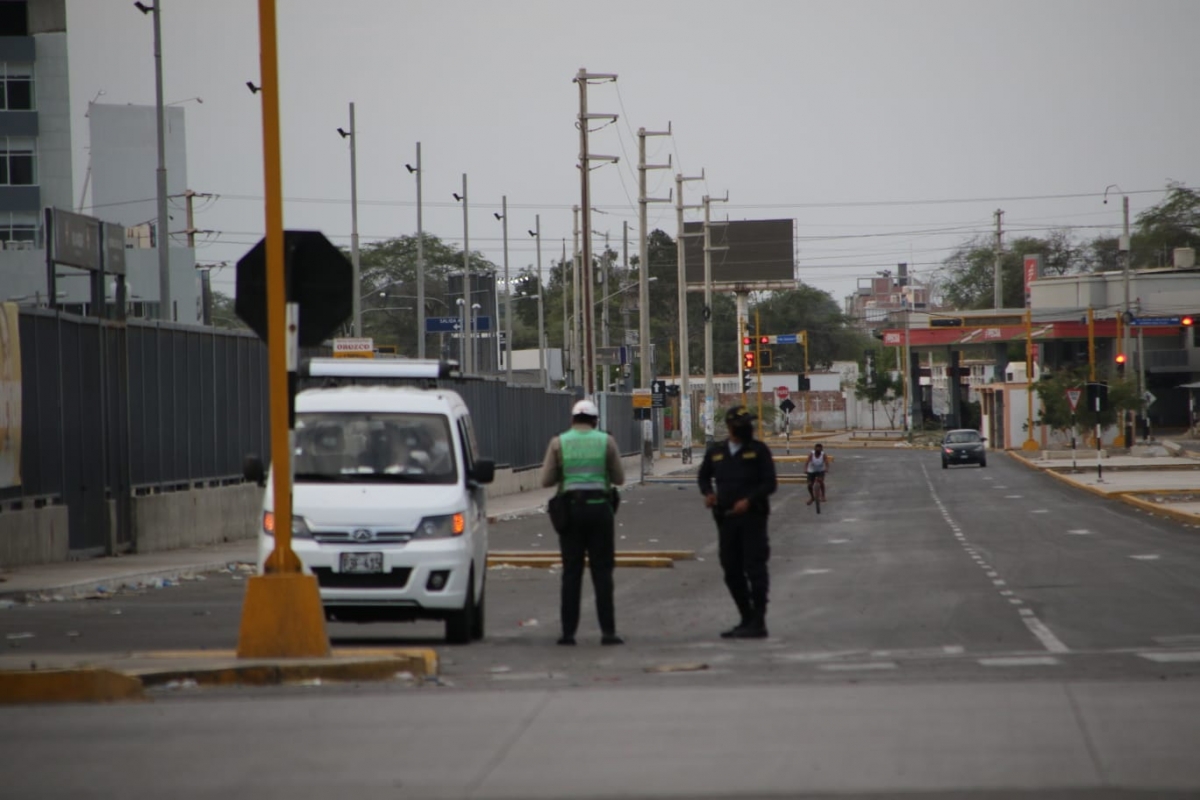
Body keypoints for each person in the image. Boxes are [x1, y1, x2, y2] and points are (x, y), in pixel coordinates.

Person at [540, 398, 626, 646]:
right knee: (602, 572)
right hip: (600, 512)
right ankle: (608, 632)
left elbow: (546, 480)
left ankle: (568, 634)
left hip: (571, 513)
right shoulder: (605, 441)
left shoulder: (559, 442)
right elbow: (619, 479)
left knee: (571, 573)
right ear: (595, 420)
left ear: (572, 420)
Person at [698, 406, 777, 639]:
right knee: (731, 570)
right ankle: (746, 617)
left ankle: (759, 620)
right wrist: (708, 493)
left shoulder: (758, 450)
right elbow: (703, 476)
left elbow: (769, 483)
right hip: (726, 519)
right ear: (732, 427)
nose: (748, 429)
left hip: (753, 518)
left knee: (755, 568)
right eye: (743, 425)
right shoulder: (717, 452)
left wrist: (749, 500)